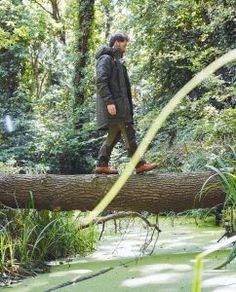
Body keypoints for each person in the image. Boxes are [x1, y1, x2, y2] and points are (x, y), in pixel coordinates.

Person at [95, 32, 158, 174]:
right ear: (117, 42)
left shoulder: (117, 61)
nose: (126, 47)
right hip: (115, 106)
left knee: (114, 134)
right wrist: (109, 101)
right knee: (128, 131)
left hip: (120, 107)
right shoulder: (106, 59)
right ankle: (139, 164)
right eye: (125, 43)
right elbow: (101, 81)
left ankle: (101, 164)